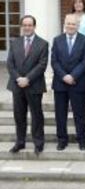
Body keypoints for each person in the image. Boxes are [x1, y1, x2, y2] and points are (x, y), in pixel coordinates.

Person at [6, 15, 48, 155]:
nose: (27, 27)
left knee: (36, 115)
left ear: (34, 26)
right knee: (19, 115)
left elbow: (42, 65)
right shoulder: (15, 42)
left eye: (30, 25)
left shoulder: (43, 44)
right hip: (17, 85)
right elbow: (10, 64)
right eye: (25, 25)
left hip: (34, 85)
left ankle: (38, 143)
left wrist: (27, 79)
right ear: (21, 27)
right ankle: (20, 142)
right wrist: (19, 78)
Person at [51, 14, 85, 151]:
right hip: (60, 83)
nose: (70, 26)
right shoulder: (57, 40)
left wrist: (73, 75)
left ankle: (81, 139)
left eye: (73, 24)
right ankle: (62, 139)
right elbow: (54, 61)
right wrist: (64, 76)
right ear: (64, 24)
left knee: (79, 114)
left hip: (78, 82)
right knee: (60, 114)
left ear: (78, 26)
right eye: (68, 23)